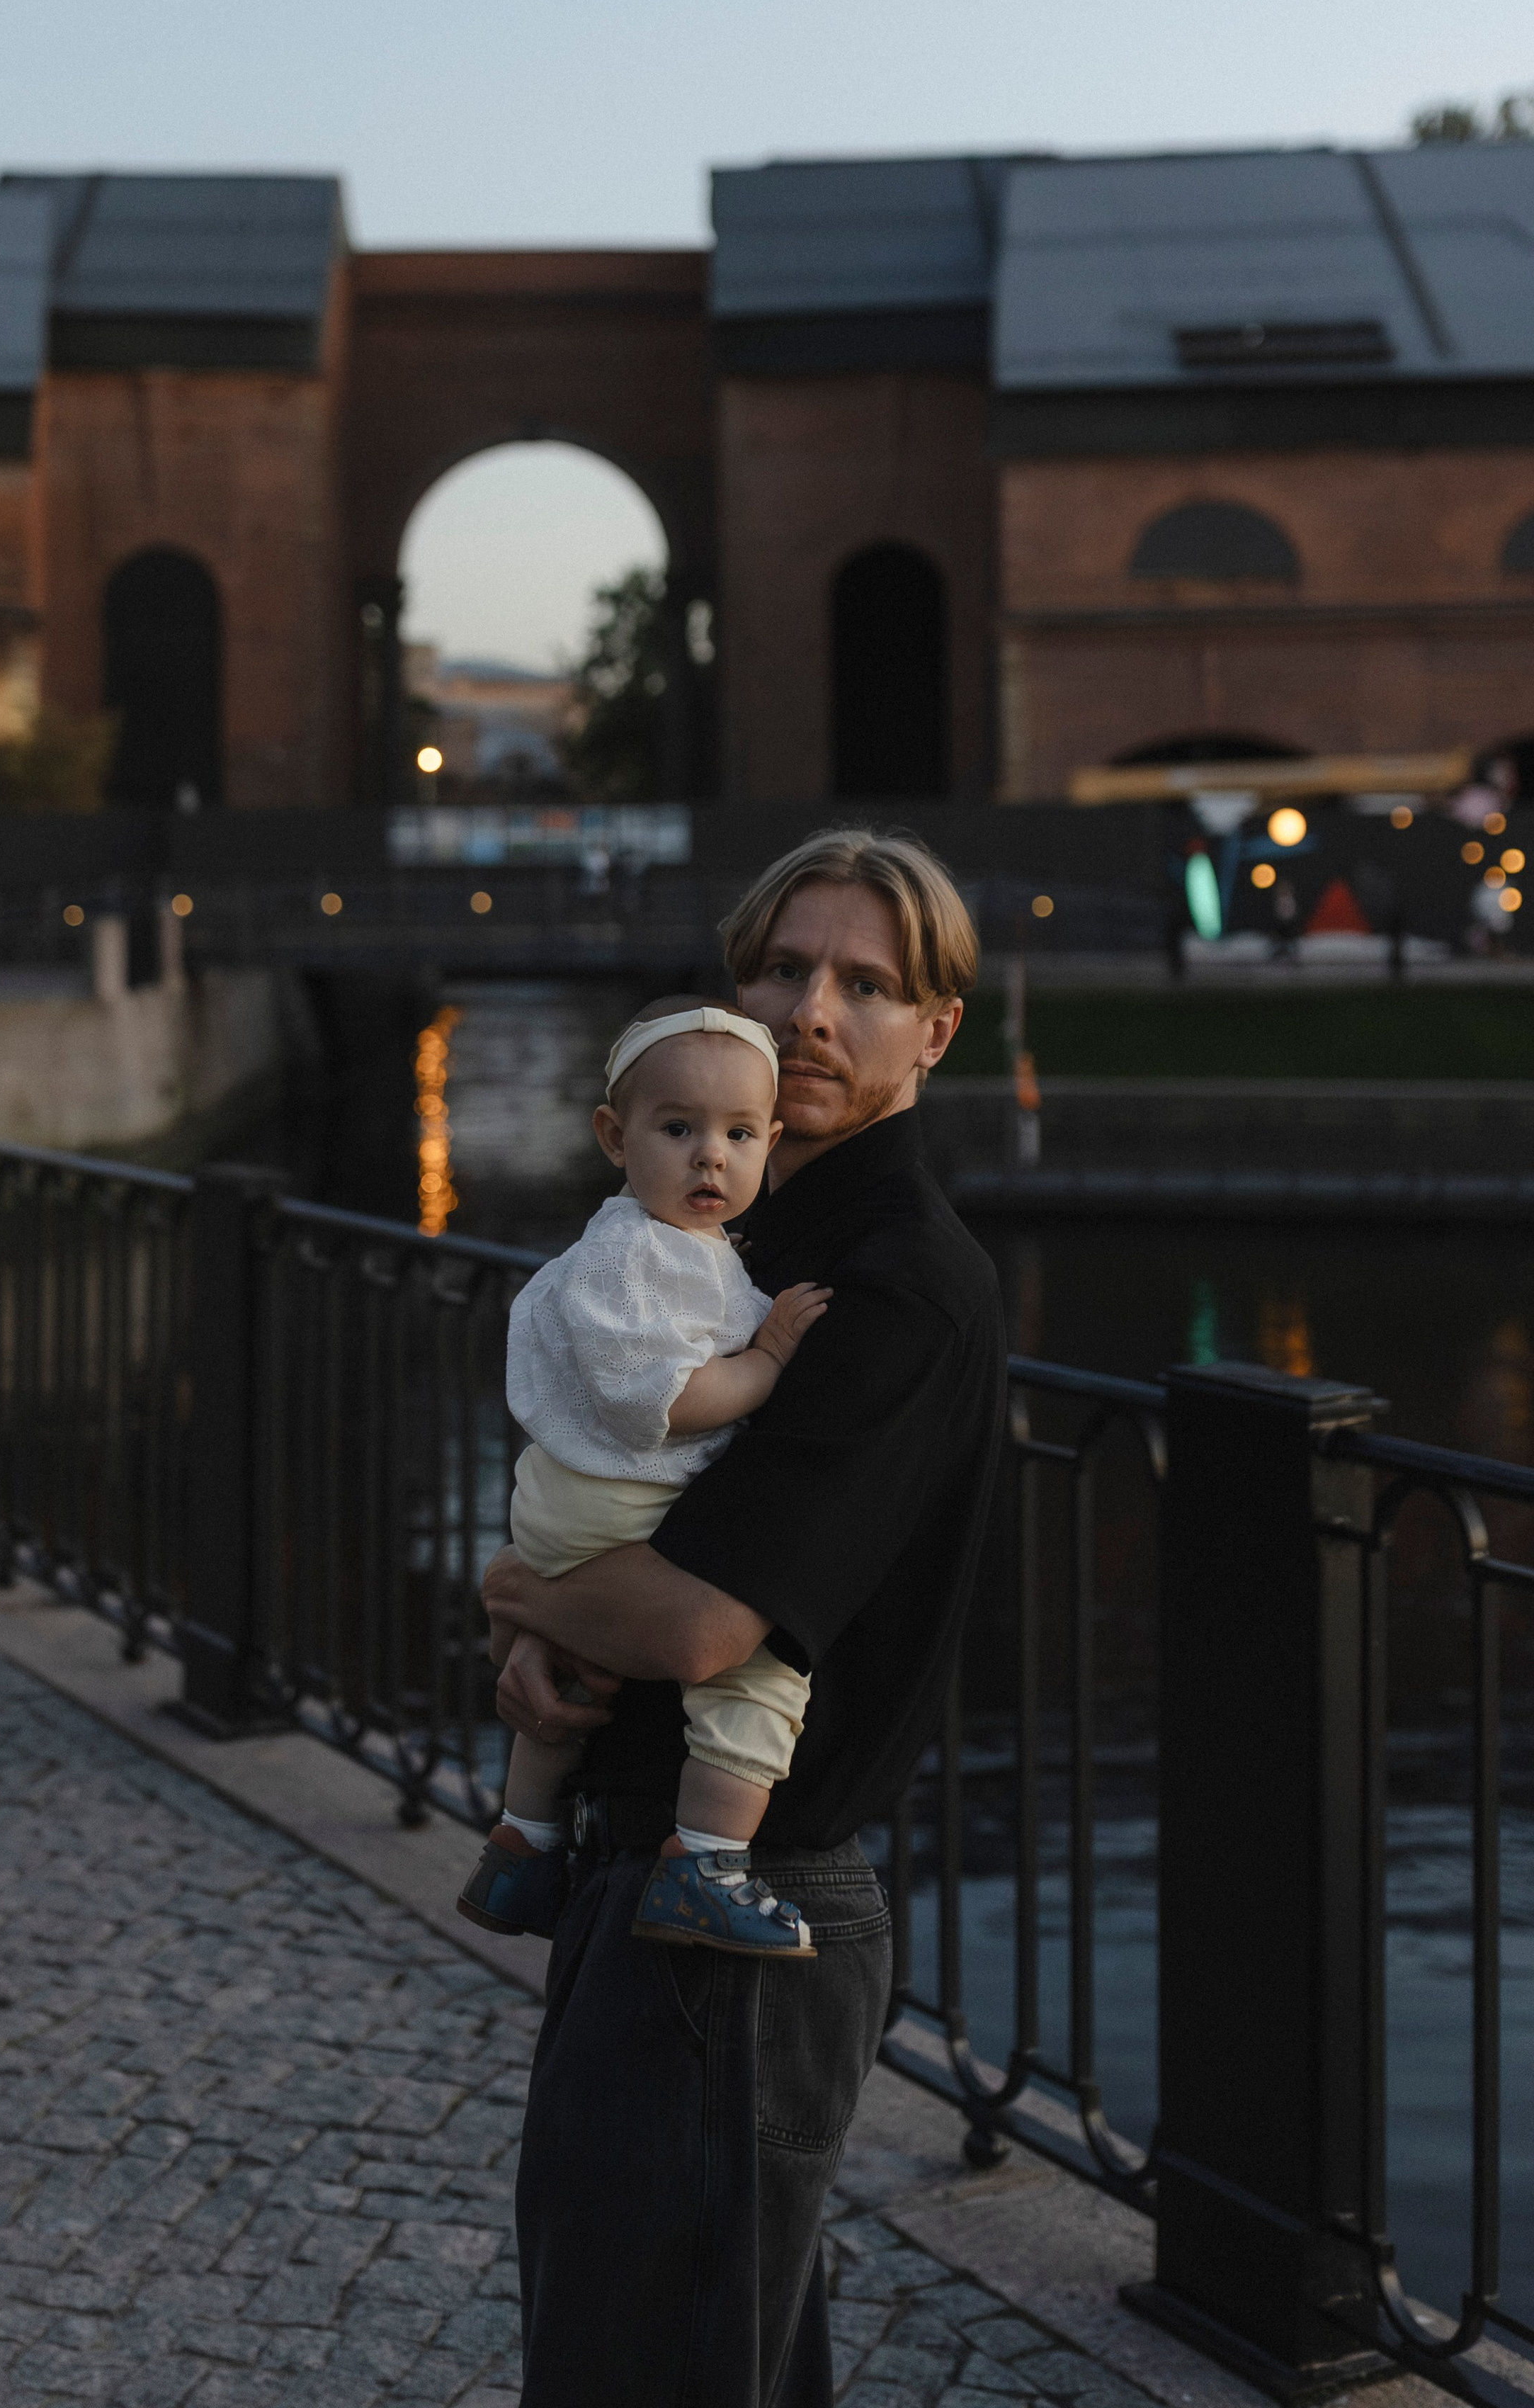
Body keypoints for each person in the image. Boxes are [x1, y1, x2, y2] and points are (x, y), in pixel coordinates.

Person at [482, 827, 1007, 2408]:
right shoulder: (724, 1235)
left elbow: (708, 1622)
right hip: (652, 1876)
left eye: (864, 982)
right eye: (781, 969)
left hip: (741, 1919)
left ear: (935, 1029)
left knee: (641, 2364)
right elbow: (621, 1504)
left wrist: (518, 1589)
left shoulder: (888, 1280)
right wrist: (550, 1639)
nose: (809, 1012)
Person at [457, 1000, 832, 1959]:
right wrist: (771, 1359)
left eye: (739, 1134)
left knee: (579, 1670)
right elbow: (661, 1399)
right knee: (760, 1669)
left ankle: (523, 1842)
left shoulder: (684, 1248)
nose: (711, 1156)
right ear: (614, 1139)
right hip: (612, 1498)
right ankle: (706, 1862)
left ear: (770, 1142)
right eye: (679, 1129)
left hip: (564, 1502)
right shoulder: (628, 1254)